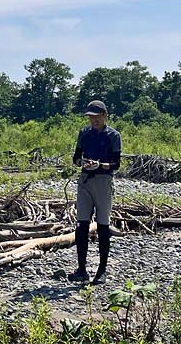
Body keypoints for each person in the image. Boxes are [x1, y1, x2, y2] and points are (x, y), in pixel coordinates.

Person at [68, 100, 121, 285]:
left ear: (105, 116)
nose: (93, 120)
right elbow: (76, 157)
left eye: (96, 117)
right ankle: (81, 269)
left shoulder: (113, 135)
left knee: (102, 226)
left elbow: (116, 164)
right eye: (90, 117)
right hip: (85, 181)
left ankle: (101, 271)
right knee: (81, 225)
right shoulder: (84, 134)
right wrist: (81, 163)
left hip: (103, 182)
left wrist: (100, 165)